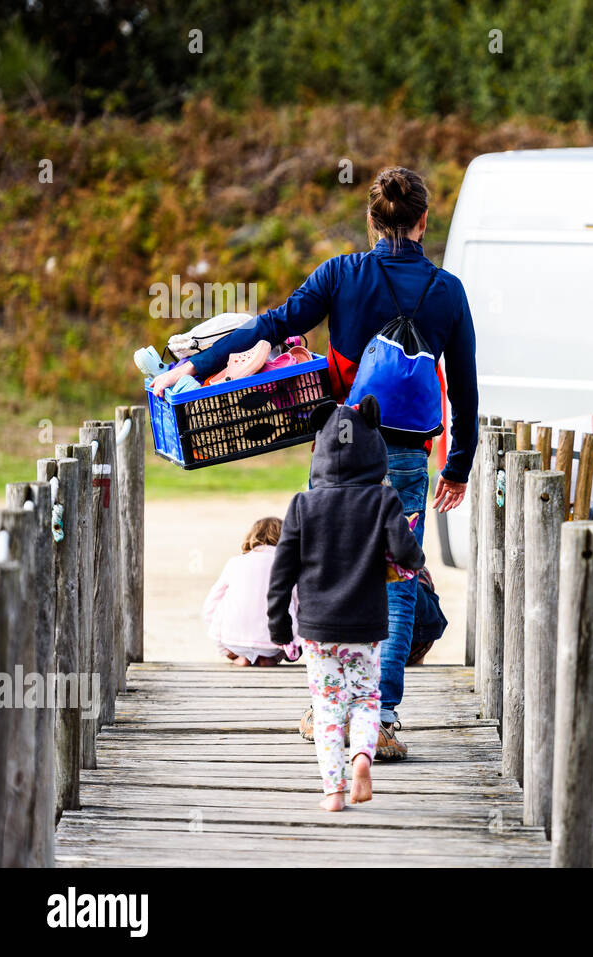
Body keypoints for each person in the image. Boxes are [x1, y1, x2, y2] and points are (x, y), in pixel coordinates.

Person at [151, 166, 477, 760]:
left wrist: (195, 368)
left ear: (373, 221)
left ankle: (325, 704)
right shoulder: (448, 291)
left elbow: (269, 328)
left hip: (337, 453)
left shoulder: (342, 274)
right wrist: (459, 465)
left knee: (325, 570)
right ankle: (381, 716)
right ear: (424, 221)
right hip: (405, 455)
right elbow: (466, 386)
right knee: (399, 584)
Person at [267, 397, 425, 811]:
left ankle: (334, 792)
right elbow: (409, 557)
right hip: (367, 628)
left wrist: (279, 626)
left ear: (319, 450)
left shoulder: (303, 505)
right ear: (374, 448)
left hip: (318, 631)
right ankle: (361, 759)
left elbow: (281, 573)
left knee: (327, 708)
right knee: (366, 699)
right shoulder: (383, 501)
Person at [202, 516, 300, 666]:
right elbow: (300, 603)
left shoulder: (235, 562)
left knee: (226, 607)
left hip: (233, 640)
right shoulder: (289, 566)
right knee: (290, 614)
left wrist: (220, 640)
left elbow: (211, 604)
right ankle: (269, 658)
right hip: (275, 641)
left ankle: (241, 657)